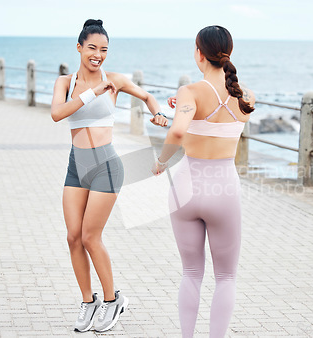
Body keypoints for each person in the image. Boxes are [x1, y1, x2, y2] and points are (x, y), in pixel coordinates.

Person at [51, 19, 168, 333]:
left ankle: (112, 300)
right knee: (73, 237)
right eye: (92, 48)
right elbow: (57, 113)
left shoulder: (113, 79)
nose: (98, 54)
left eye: (103, 49)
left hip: (106, 166)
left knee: (91, 236)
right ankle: (88, 304)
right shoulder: (66, 82)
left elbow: (146, 96)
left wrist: (157, 113)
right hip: (76, 166)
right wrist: (93, 93)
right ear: (79, 47)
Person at [152, 25, 255, 337]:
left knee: (192, 273)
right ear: (229, 53)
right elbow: (213, 126)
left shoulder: (190, 92)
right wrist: (182, 113)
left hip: (186, 187)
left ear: (199, 53)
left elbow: (181, 131)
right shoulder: (247, 95)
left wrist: (161, 161)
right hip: (223, 189)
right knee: (226, 277)